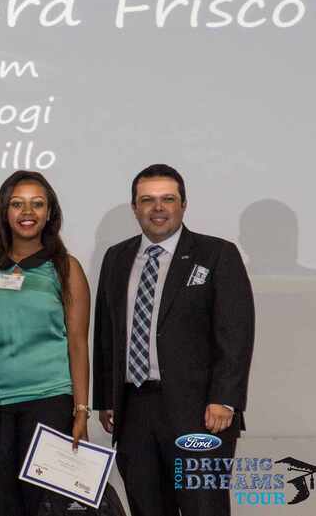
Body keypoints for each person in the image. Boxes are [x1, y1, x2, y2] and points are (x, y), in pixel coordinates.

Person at [92, 164, 255, 516]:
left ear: (183, 204)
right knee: (146, 506)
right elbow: (106, 333)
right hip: (133, 409)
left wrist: (225, 399)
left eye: (168, 199)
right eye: (147, 200)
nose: (158, 208)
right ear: (134, 207)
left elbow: (236, 332)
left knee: (204, 508)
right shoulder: (116, 258)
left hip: (201, 412)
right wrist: (106, 399)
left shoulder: (217, 254)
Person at [0, 170, 91, 516]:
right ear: (4, 212)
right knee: (1, 506)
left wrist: (81, 411)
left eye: (37, 204)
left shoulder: (66, 268)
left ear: (50, 213)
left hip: (49, 401)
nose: (27, 212)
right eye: (17, 204)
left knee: (47, 508)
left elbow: (78, 344)